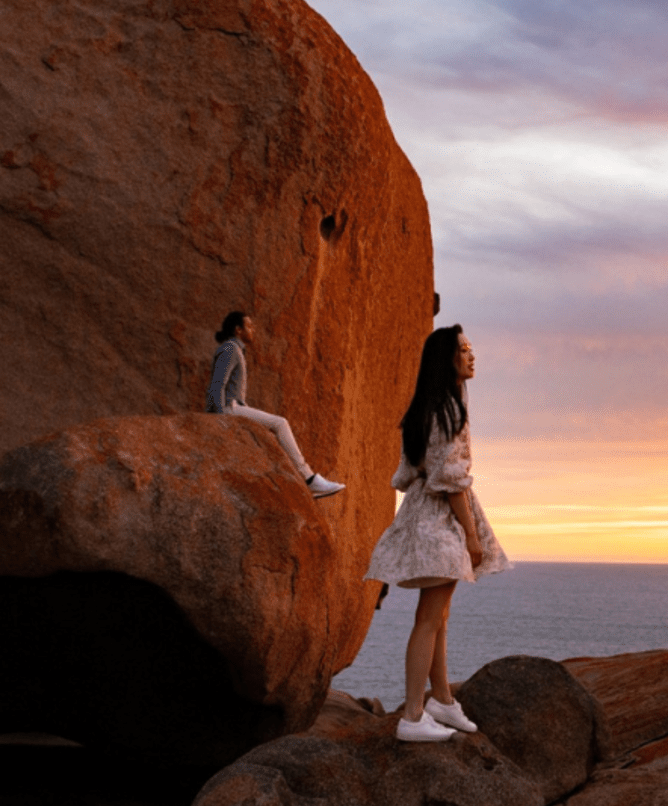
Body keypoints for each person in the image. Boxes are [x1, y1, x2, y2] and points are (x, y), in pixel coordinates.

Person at [364, 325, 511, 742]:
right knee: (429, 619)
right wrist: (471, 534)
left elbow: (408, 473)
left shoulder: (430, 406)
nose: (471, 355)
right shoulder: (447, 408)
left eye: (471, 348)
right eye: (463, 350)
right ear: (446, 359)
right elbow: (450, 478)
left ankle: (441, 700)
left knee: (439, 615)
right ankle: (412, 716)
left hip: (423, 513)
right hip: (441, 518)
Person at [206, 311, 345, 499]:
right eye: (249, 326)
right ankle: (310, 479)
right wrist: (221, 421)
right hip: (230, 409)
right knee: (280, 423)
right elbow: (217, 385)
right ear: (238, 330)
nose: (253, 330)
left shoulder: (235, 349)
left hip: (234, 408)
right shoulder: (230, 349)